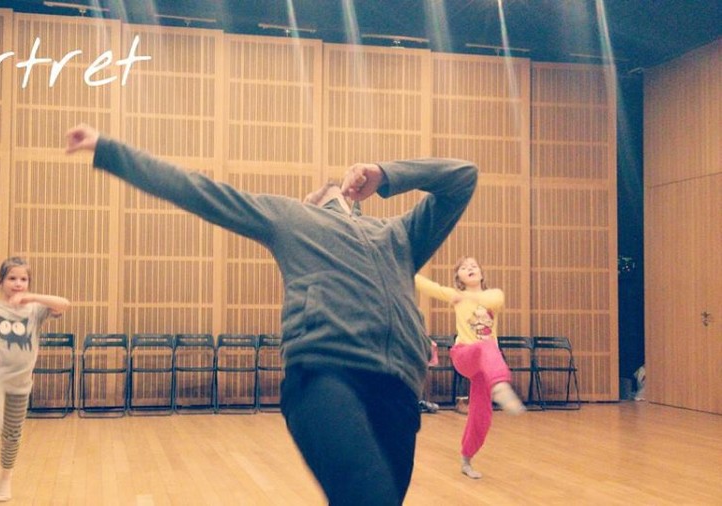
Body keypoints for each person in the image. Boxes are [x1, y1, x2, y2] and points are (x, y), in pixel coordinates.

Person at [65, 123, 478, 505]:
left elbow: (463, 177)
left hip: (399, 389)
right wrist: (109, 150)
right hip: (326, 375)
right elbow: (198, 191)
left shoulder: (399, 235)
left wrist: (385, 174)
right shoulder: (291, 217)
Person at [0, 257, 70, 506]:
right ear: (0, 281)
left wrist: (32, 298)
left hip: (20, 383)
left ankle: (5, 478)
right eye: (12, 278)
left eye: (23, 279)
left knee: (12, 433)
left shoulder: (36, 310)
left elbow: (64, 304)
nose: (18, 283)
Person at [415, 257, 524, 480]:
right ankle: (501, 386)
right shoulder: (454, 295)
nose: (470, 268)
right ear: (459, 278)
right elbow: (427, 286)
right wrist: (403, 266)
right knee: (486, 346)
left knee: (482, 415)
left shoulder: (493, 295)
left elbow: (493, 299)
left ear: (481, 274)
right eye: (464, 268)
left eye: (473, 266)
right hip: (464, 355)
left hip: (485, 367)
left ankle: (466, 459)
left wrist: (464, 296)